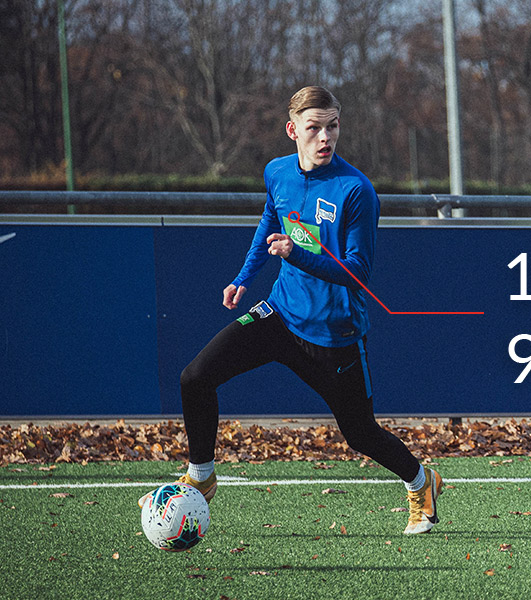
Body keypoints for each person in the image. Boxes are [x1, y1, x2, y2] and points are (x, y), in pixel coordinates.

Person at [140, 86, 443, 534]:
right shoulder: (277, 173)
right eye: (314, 128)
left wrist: (295, 254)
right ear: (292, 131)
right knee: (195, 377)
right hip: (279, 315)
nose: (325, 137)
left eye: (333, 126)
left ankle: (422, 483)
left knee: (359, 434)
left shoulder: (356, 190)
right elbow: (271, 220)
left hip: (334, 336)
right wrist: (244, 277)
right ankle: (201, 477)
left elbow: (359, 272)